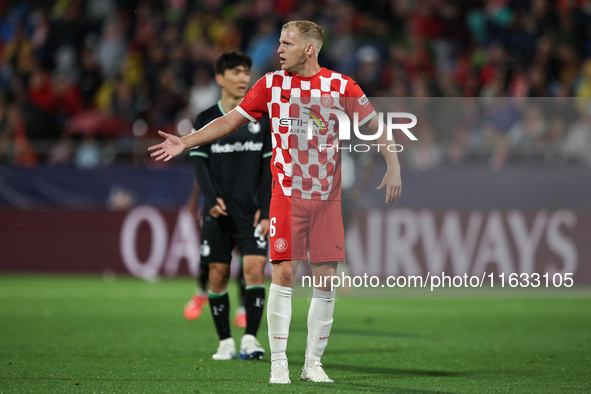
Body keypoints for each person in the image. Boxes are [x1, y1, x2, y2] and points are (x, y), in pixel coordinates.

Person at [149, 21, 402, 383]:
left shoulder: (340, 85)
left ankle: (313, 365)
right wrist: (186, 142)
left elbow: (376, 125)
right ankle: (279, 363)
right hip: (287, 196)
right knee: (284, 274)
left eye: (287, 43)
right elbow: (230, 121)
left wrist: (393, 165)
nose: (278, 49)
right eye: (280, 42)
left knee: (326, 281)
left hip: (327, 199)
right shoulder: (270, 85)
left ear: (310, 49)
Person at [182, 51, 273, 361]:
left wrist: (265, 206)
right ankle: (225, 342)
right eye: (236, 72)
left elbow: (268, 169)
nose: (243, 78)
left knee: (254, 270)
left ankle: (250, 339)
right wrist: (210, 198)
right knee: (217, 276)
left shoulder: (262, 119)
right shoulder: (205, 119)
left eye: (246, 72)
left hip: (251, 212)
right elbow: (200, 166)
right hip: (218, 213)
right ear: (220, 78)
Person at [183, 182, 248, 331]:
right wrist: (193, 199)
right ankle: (201, 292)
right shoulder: (216, 159)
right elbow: (202, 173)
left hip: (242, 206)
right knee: (207, 255)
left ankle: (242, 310)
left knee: (245, 258)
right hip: (214, 208)